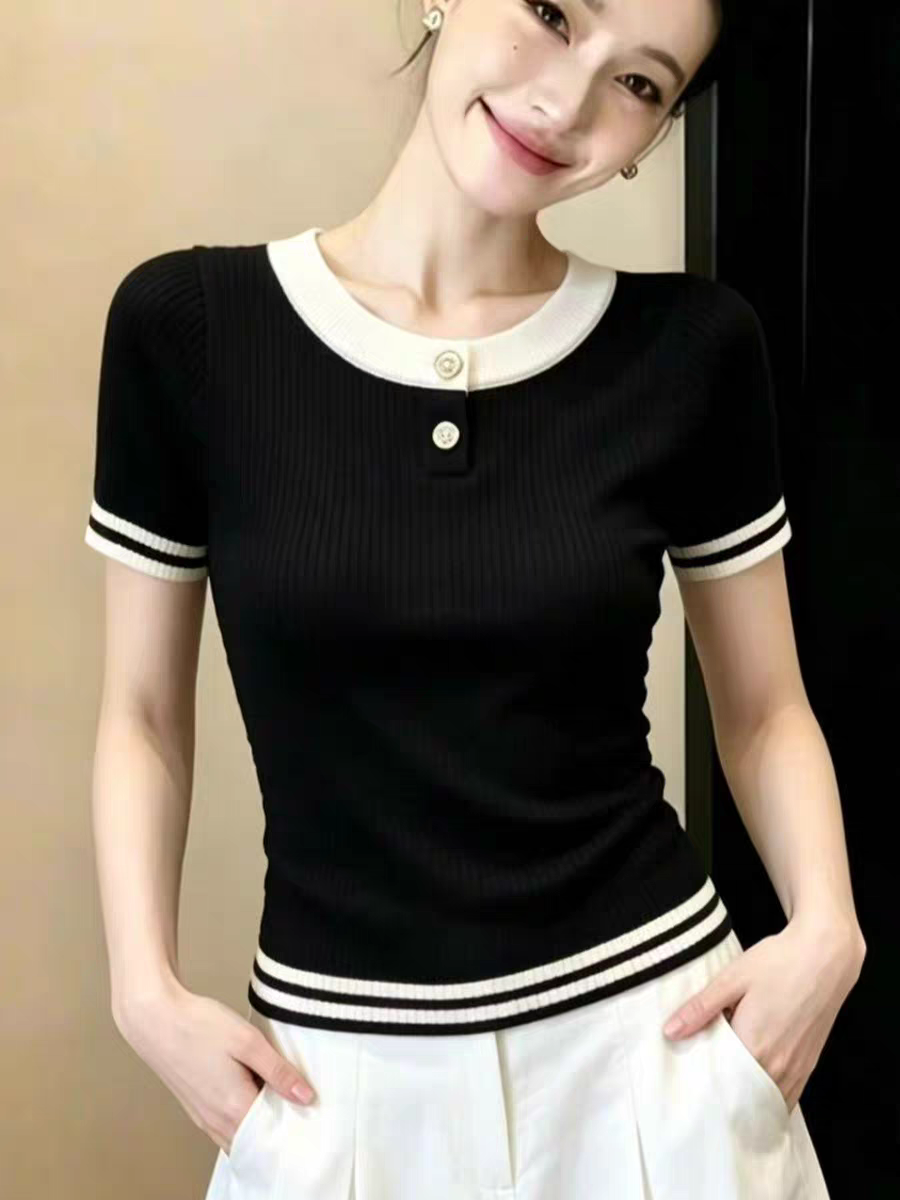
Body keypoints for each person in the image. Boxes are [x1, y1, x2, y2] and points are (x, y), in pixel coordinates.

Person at [84, 2, 866, 1197]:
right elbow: (141, 714)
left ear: (657, 134)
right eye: (552, 12)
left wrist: (827, 928)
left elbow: (764, 711)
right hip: (336, 1083)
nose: (566, 102)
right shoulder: (186, 334)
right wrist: (142, 988)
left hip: (659, 1058)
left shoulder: (692, 349)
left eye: (640, 85)